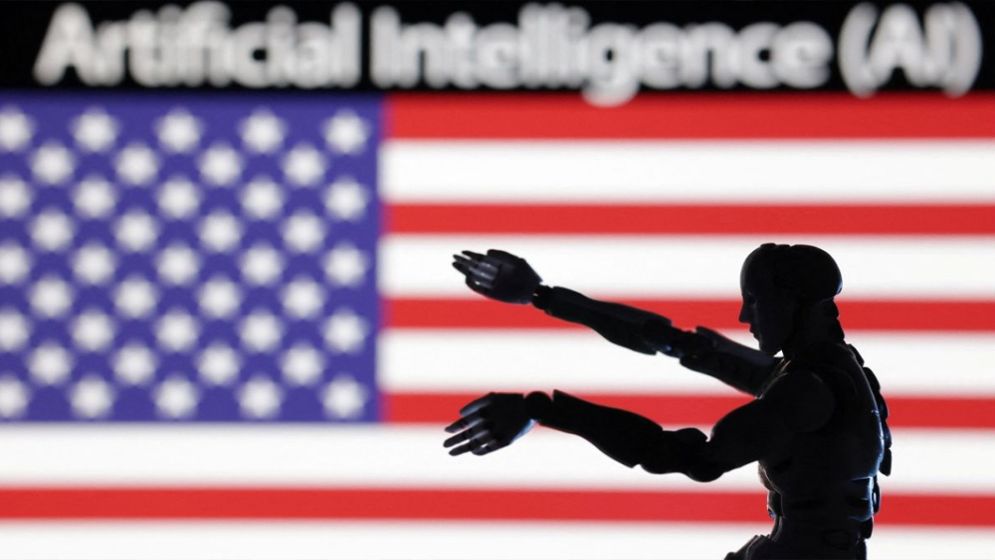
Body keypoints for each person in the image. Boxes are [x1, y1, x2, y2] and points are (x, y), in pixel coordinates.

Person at [446, 244, 891, 560]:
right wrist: (542, 296)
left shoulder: (804, 390)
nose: (744, 317)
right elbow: (678, 344)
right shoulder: (830, 369)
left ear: (790, 304)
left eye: (755, 302)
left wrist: (543, 410)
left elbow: (689, 457)